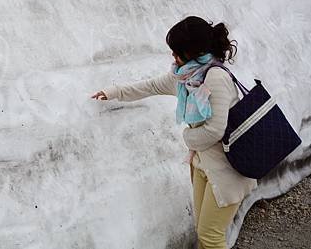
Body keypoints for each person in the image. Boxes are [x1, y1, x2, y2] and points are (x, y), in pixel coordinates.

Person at [91, 15, 257, 249]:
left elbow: (215, 130)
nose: (172, 55)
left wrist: (187, 137)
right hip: (203, 165)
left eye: (176, 50)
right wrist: (113, 91)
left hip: (229, 169)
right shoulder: (185, 77)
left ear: (191, 51)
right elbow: (151, 86)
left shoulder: (215, 77)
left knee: (211, 236)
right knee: (203, 229)